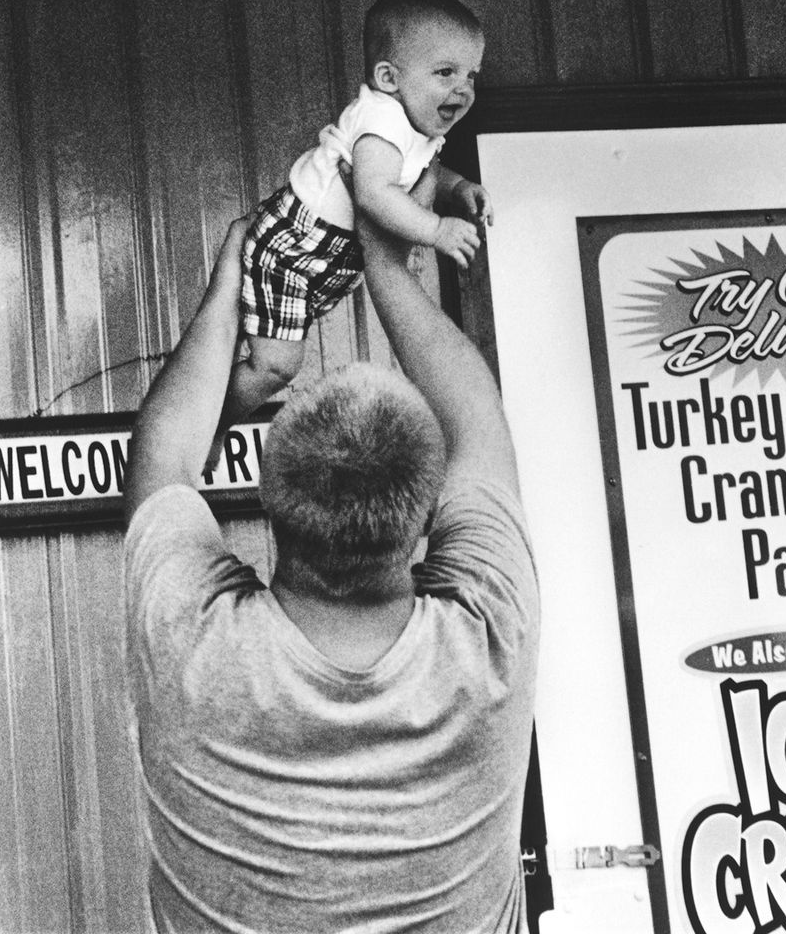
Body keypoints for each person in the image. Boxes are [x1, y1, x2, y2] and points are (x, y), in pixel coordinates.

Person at [123, 207, 539, 934]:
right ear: (426, 516)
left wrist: (233, 281)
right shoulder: (491, 635)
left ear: (266, 499)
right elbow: (477, 416)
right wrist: (387, 262)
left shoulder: (190, 639)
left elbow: (164, 457)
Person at [224, 0, 493, 430]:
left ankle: (211, 411)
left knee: (258, 351)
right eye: (446, 72)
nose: (463, 89)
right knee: (275, 366)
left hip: (326, 259)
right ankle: (213, 423)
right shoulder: (382, 119)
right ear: (389, 78)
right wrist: (436, 229)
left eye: (471, 76)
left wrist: (457, 186)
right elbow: (375, 192)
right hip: (295, 250)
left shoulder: (414, 124)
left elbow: (415, 167)